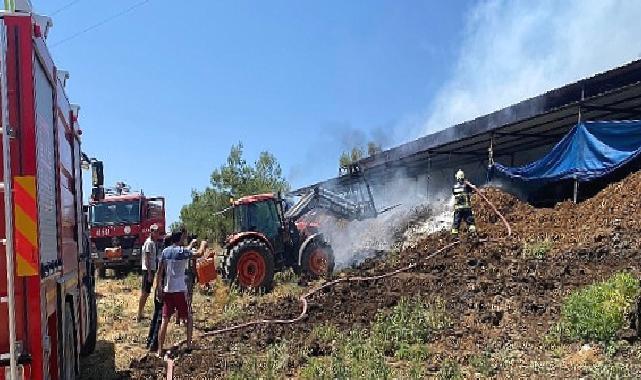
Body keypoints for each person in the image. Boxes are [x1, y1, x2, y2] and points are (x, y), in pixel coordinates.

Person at [155, 231, 206, 356]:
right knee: (188, 317)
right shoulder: (182, 252)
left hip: (168, 290)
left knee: (165, 320)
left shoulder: (165, 252)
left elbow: (159, 272)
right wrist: (203, 245)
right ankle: (189, 345)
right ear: (180, 239)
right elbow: (199, 254)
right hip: (180, 290)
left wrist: (159, 288)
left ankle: (159, 350)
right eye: (183, 238)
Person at [146, 233, 172, 351]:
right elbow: (161, 274)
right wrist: (161, 289)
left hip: (159, 288)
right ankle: (154, 344)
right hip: (162, 289)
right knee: (160, 317)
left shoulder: (162, 254)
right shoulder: (167, 256)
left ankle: (149, 341)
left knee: (156, 315)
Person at [137, 224, 159, 322]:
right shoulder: (149, 243)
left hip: (151, 270)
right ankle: (139, 314)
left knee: (147, 292)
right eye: (156, 231)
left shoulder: (154, 243)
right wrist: (149, 273)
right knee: (144, 292)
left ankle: (141, 313)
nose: (157, 233)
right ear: (151, 232)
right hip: (147, 270)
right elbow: (147, 258)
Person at [451, 169, 477, 236]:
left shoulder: (454, 187)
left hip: (458, 209)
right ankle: (473, 234)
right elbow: (473, 190)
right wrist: (472, 186)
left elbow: (455, 193)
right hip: (466, 208)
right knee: (470, 222)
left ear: (457, 178)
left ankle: (454, 236)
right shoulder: (466, 186)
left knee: (456, 223)